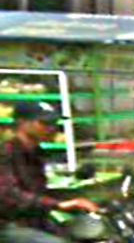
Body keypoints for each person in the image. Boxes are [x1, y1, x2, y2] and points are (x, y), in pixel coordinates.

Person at [0, 101, 99, 243]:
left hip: (36, 221)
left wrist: (77, 201)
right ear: (22, 123)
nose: (52, 128)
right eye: (45, 123)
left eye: (54, 123)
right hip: (9, 225)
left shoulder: (36, 153)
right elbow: (8, 195)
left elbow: (37, 191)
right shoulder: (6, 153)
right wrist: (57, 204)